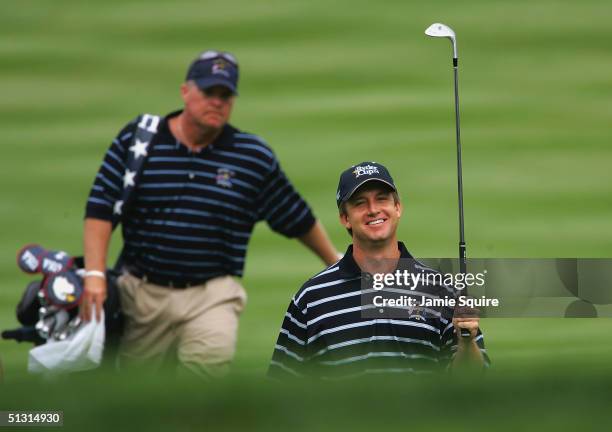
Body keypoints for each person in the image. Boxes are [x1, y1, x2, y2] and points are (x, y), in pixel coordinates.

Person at [81, 50, 339, 377]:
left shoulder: (250, 156)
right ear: (186, 91)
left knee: (202, 391)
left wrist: (335, 263)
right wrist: (94, 276)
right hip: (141, 294)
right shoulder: (139, 140)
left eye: (226, 95)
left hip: (212, 297)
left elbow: (295, 216)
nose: (217, 102)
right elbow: (101, 206)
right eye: (208, 92)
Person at [268, 162, 489, 379]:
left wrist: (467, 343)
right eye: (360, 203)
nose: (373, 210)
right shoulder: (311, 297)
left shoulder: (442, 292)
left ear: (398, 208)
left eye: (381, 199)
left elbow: (472, 386)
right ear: (345, 219)